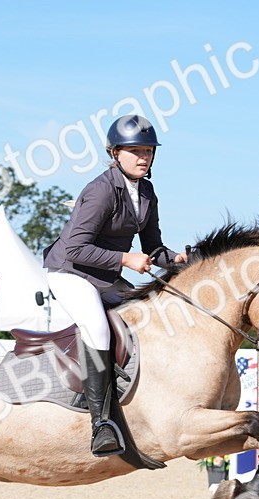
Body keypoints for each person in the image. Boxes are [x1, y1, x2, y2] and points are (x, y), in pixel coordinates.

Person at [43, 114, 186, 457]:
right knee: (98, 328)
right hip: (69, 271)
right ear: (115, 153)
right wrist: (125, 259)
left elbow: (154, 249)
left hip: (102, 273)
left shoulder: (147, 192)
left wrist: (181, 258)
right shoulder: (100, 190)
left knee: (146, 316)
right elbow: (76, 247)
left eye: (148, 151)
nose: (143, 158)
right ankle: (101, 424)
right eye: (135, 151)